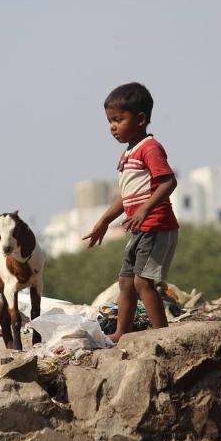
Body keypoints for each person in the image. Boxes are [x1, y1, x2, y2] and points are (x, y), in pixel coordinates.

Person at [82, 82, 179, 343]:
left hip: (157, 226)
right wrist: (104, 221)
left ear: (140, 119)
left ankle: (162, 336)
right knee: (125, 283)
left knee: (143, 283)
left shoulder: (150, 147)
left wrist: (146, 209)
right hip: (140, 228)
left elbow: (169, 181)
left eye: (119, 119)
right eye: (110, 121)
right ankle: (122, 332)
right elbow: (126, 196)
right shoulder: (128, 154)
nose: (113, 126)